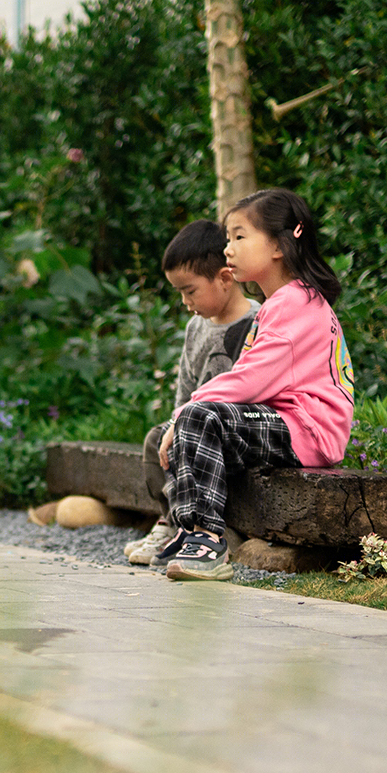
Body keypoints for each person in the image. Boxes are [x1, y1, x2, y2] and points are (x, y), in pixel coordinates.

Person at [154, 188, 354, 582]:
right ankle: (190, 529)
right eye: (228, 238)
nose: (228, 248)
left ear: (279, 245)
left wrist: (182, 414)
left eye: (239, 237)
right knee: (194, 421)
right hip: (290, 423)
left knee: (199, 417)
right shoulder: (285, 301)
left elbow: (250, 380)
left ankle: (209, 540)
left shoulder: (295, 304)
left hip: (308, 429)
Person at [121, 220, 258, 565]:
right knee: (157, 438)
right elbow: (186, 389)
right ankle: (170, 521)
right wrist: (173, 425)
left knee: (190, 438)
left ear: (225, 278)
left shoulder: (259, 321)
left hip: (231, 433)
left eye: (190, 290)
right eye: (179, 293)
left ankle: (202, 529)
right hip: (192, 422)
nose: (185, 301)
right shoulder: (196, 328)